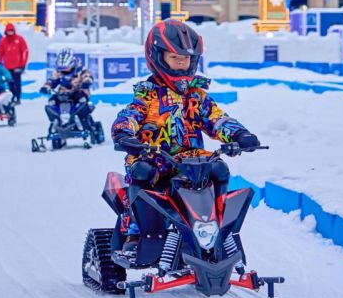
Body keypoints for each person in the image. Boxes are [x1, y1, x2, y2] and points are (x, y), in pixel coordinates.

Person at [111, 19, 259, 251]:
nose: (181, 65)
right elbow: (130, 115)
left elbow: (216, 118)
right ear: (157, 57)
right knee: (142, 172)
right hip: (153, 155)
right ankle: (137, 232)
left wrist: (240, 135)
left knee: (220, 168)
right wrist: (124, 135)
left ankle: (219, 227)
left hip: (191, 157)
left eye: (186, 59)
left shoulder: (196, 96)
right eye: (175, 59)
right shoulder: (148, 95)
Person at [40, 48, 95, 132]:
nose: (64, 70)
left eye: (66, 68)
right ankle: (56, 121)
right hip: (63, 94)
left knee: (82, 102)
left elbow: (87, 76)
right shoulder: (58, 72)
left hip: (78, 91)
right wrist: (46, 87)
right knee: (51, 102)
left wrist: (86, 82)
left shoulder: (81, 69)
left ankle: (84, 123)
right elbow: (52, 80)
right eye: (62, 68)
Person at [0, 23, 29, 105]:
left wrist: (23, 64)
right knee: (10, 83)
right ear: (6, 32)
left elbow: (25, 51)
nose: (10, 33)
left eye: (11, 31)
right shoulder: (3, 41)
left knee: (17, 83)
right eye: (8, 31)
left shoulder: (19, 39)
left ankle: (18, 98)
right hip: (7, 66)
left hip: (17, 66)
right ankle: (12, 96)